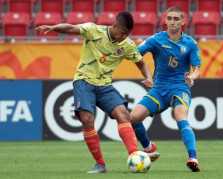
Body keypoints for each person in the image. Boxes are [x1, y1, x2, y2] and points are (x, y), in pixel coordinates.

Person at [36, 12, 153, 173]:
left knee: (123, 114)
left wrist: (148, 77)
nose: (124, 36)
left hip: (104, 85)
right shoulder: (94, 30)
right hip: (84, 80)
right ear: (115, 26)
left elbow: (141, 62)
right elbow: (71, 28)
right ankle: (100, 164)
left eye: (127, 34)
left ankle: (134, 154)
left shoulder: (127, 45)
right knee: (87, 119)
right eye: (123, 32)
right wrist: (53, 27)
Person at [131, 6, 201, 172]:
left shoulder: (190, 43)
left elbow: (196, 68)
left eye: (176, 19)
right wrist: (147, 75)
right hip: (159, 89)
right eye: (169, 18)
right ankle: (148, 148)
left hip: (179, 87)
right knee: (133, 118)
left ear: (183, 22)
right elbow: (135, 54)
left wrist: (191, 77)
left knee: (180, 115)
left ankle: (192, 157)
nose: (172, 22)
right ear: (165, 21)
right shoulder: (156, 39)